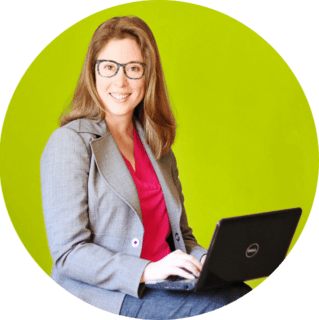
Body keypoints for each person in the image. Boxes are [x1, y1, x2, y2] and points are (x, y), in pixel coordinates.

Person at [40, 16, 251, 319]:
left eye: (134, 69)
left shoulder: (158, 147)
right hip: (108, 295)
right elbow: (68, 253)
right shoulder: (69, 143)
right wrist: (148, 271)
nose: (121, 82)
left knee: (240, 294)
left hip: (166, 283)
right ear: (93, 72)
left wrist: (208, 260)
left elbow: (181, 237)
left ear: (148, 77)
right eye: (109, 67)